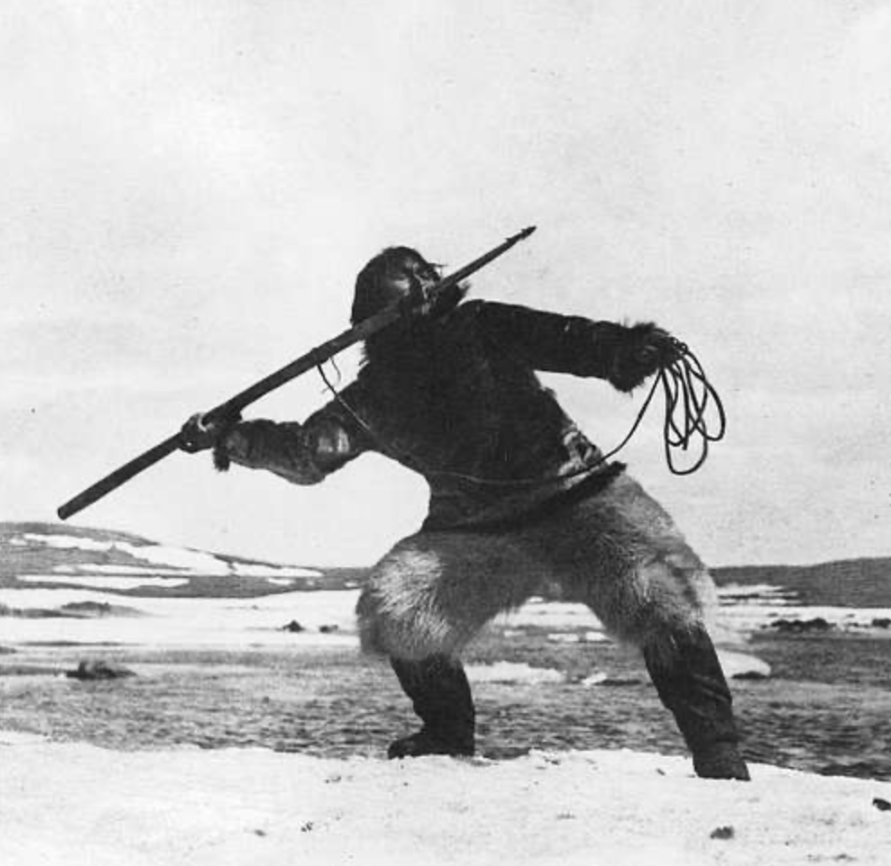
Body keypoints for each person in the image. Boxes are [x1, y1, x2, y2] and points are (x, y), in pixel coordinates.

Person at [179, 245, 750, 781]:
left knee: (665, 605)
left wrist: (627, 350)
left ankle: (718, 752)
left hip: (578, 497)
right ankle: (446, 734)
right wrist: (229, 438)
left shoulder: (482, 326)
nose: (422, 304)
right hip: (476, 532)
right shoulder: (376, 392)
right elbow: (309, 452)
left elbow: (566, 340)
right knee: (397, 608)